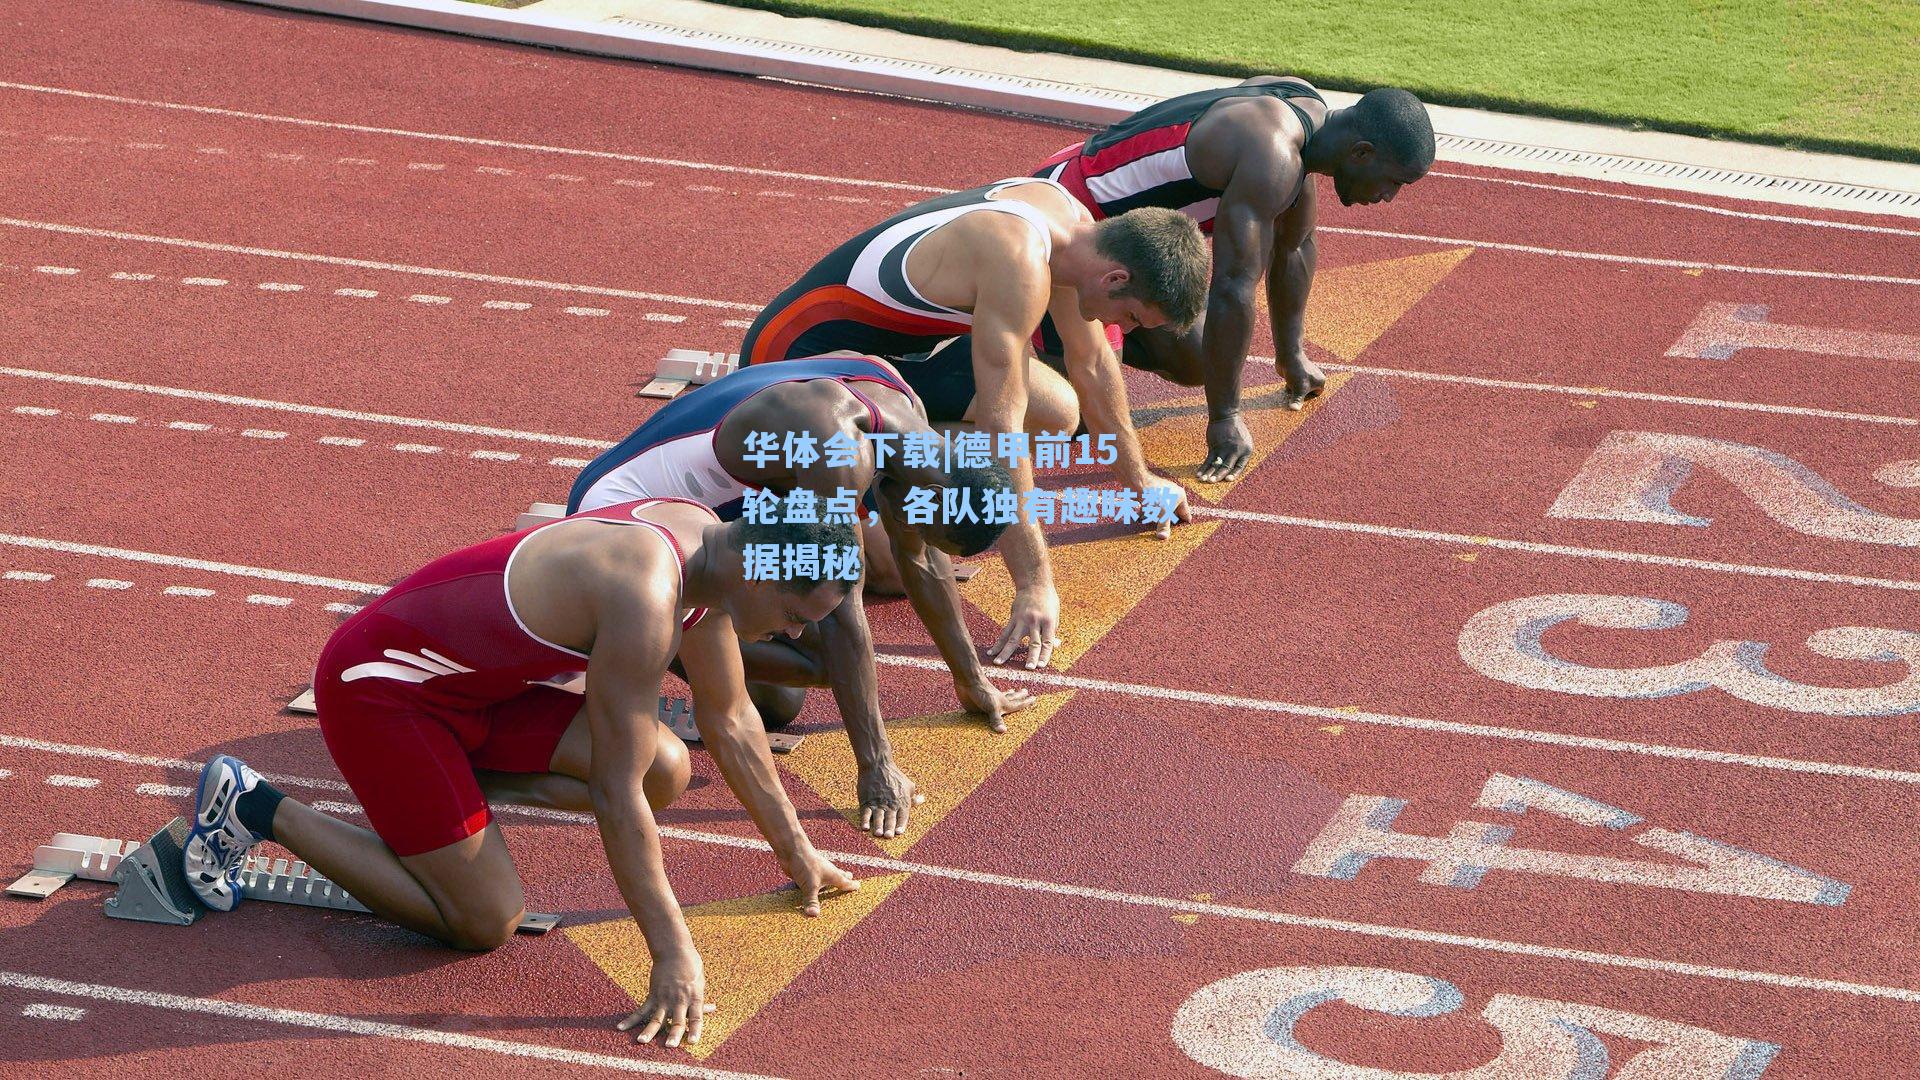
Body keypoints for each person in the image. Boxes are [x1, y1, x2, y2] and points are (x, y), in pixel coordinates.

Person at [182, 499, 864, 1049]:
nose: (794, 635)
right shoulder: (646, 597)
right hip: (382, 692)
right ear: (757, 567)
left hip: (477, 695)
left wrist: (797, 852)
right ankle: (254, 806)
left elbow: (733, 717)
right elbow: (615, 792)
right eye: (795, 616)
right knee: (485, 920)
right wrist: (672, 953)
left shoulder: (708, 549)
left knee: (666, 767)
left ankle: (437, 804)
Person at [740, 176, 1209, 669]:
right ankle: (864, 474)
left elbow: (1091, 363)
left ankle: (885, 460)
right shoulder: (1018, 261)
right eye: (1131, 318)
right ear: (1115, 279)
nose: (1123, 329)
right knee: (891, 568)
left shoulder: (1075, 229)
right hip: (794, 360)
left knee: (1055, 412)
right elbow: (1001, 430)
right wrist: (1034, 583)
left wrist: (1140, 481)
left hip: (889, 354)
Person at [567, 352, 1033, 838]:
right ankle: (646, 647)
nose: (912, 532)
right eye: (923, 524)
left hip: (703, 513)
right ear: (935, 493)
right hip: (621, 516)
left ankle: (683, 645)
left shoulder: (904, 412)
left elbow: (921, 559)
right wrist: (877, 766)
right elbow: (840, 610)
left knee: (793, 690)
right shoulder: (837, 451)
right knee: (819, 666)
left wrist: (972, 681)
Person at [1034, 82, 1435, 482]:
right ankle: (1024, 331)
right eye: (1394, 181)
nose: (1389, 196)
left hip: (1114, 233)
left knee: (1197, 355)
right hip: (1070, 219)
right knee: (1075, 417)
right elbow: (1232, 286)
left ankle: (1084, 338)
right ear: (1361, 152)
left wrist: (1291, 355)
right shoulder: (1271, 155)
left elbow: (1295, 245)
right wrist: (1225, 417)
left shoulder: (1304, 115)